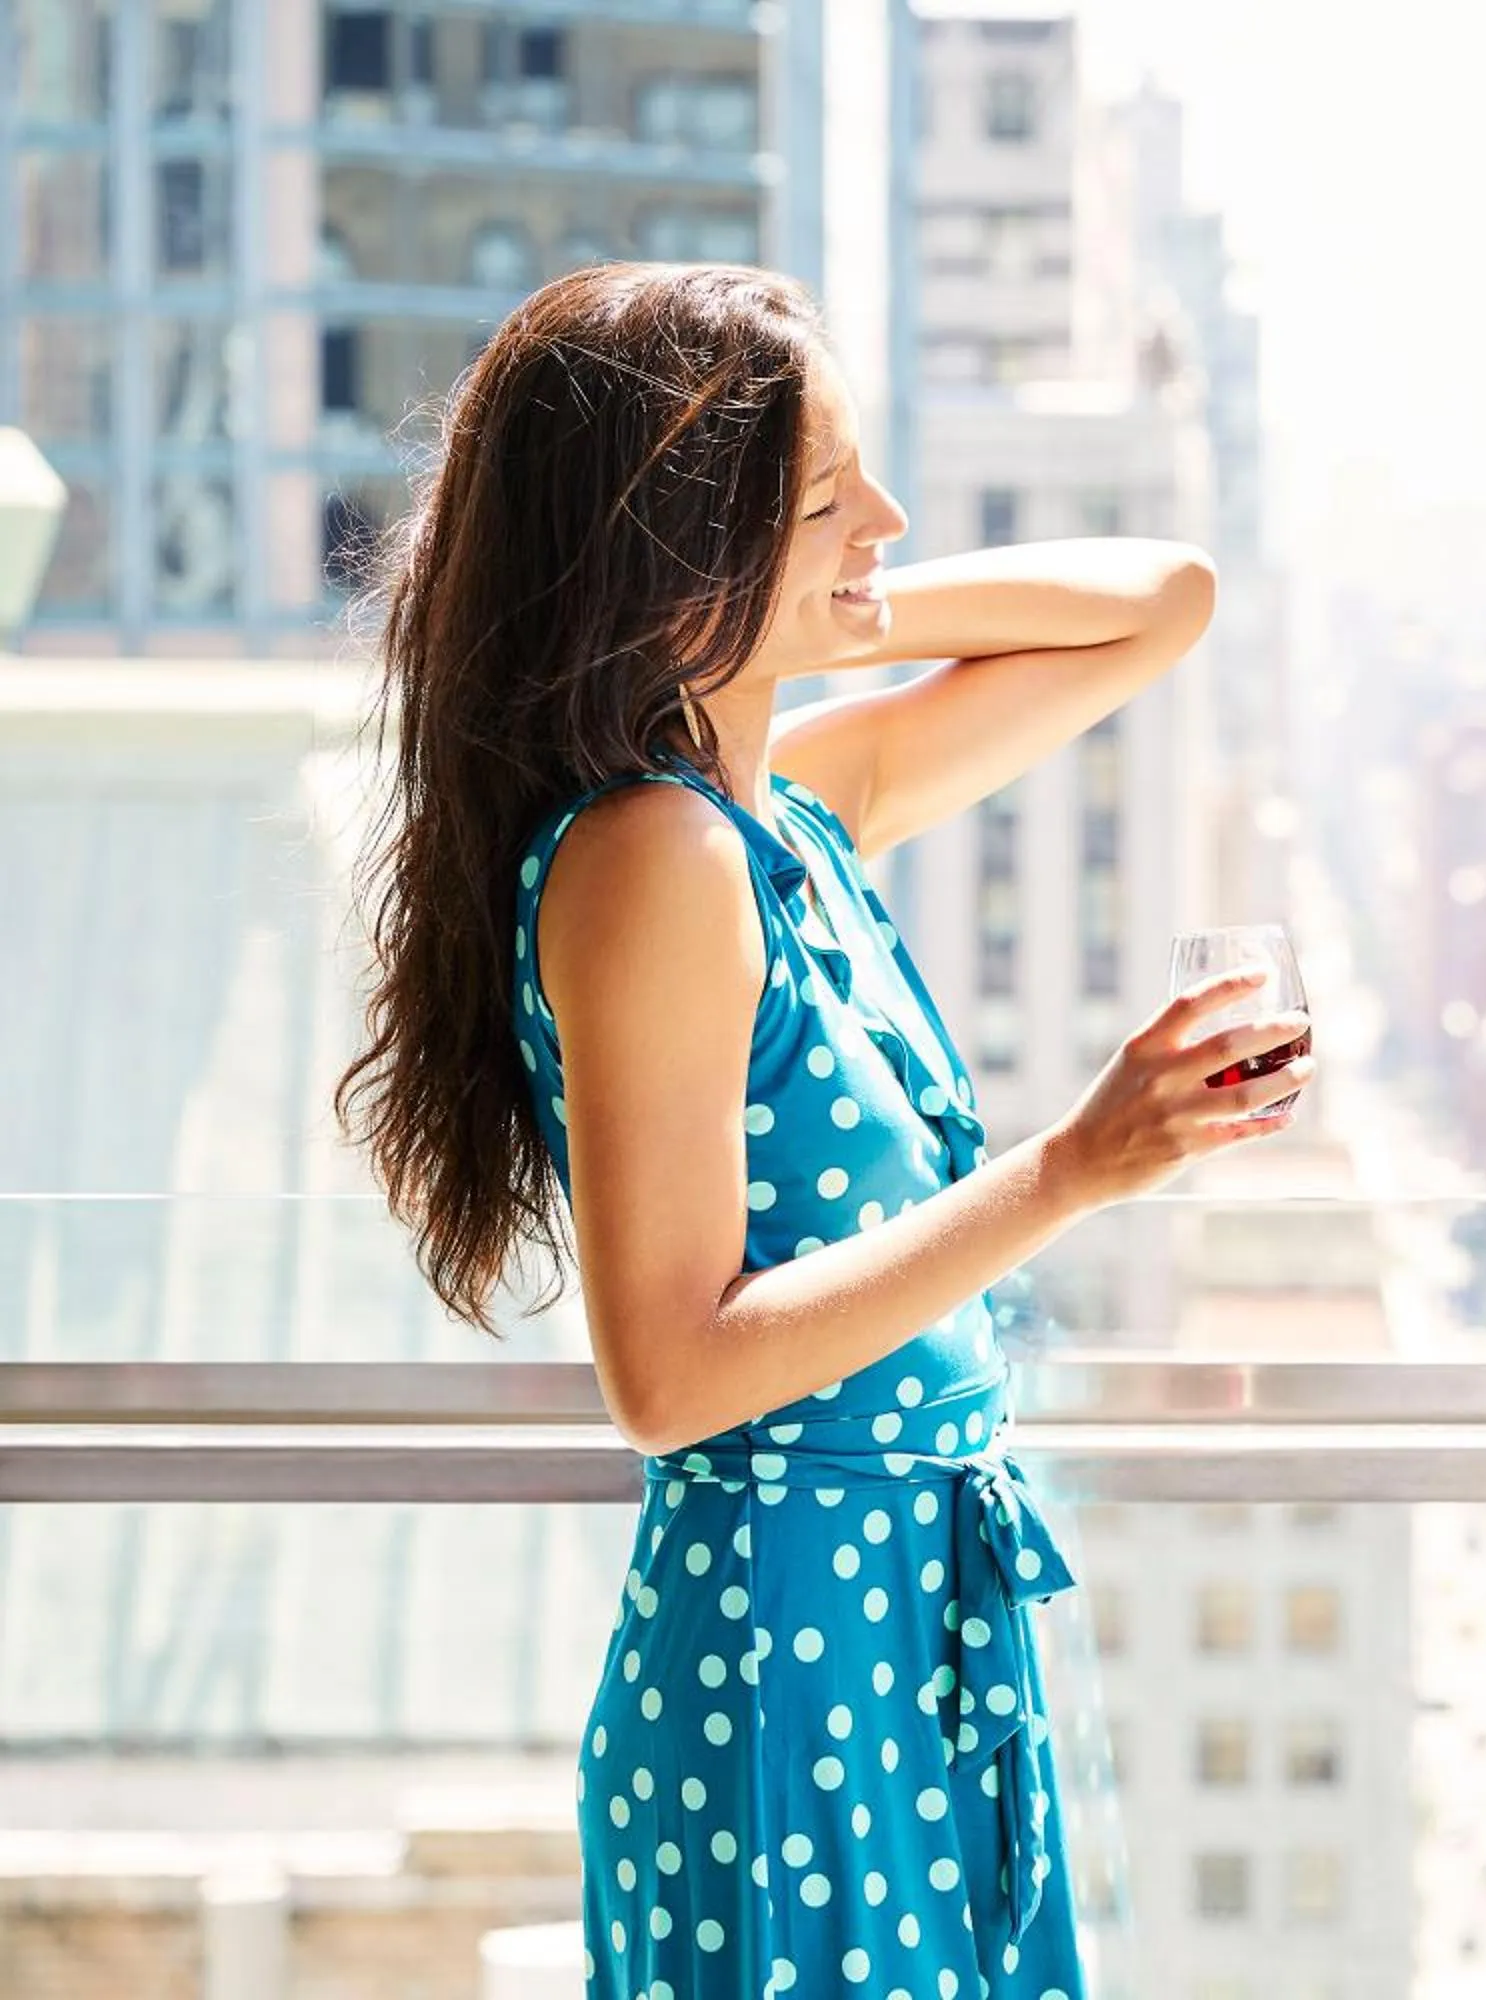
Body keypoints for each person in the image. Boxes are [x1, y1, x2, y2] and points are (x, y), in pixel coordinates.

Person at [338, 262, 1309, 2000]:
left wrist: (819, 593)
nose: (893, 516)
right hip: (791, 1669)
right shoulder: (658, 861)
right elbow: (673, 1376)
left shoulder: (787, 815)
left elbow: (1164, 602)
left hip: (904, 1637)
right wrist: (1076, 1168)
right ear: (682, 548)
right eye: (825, 497)